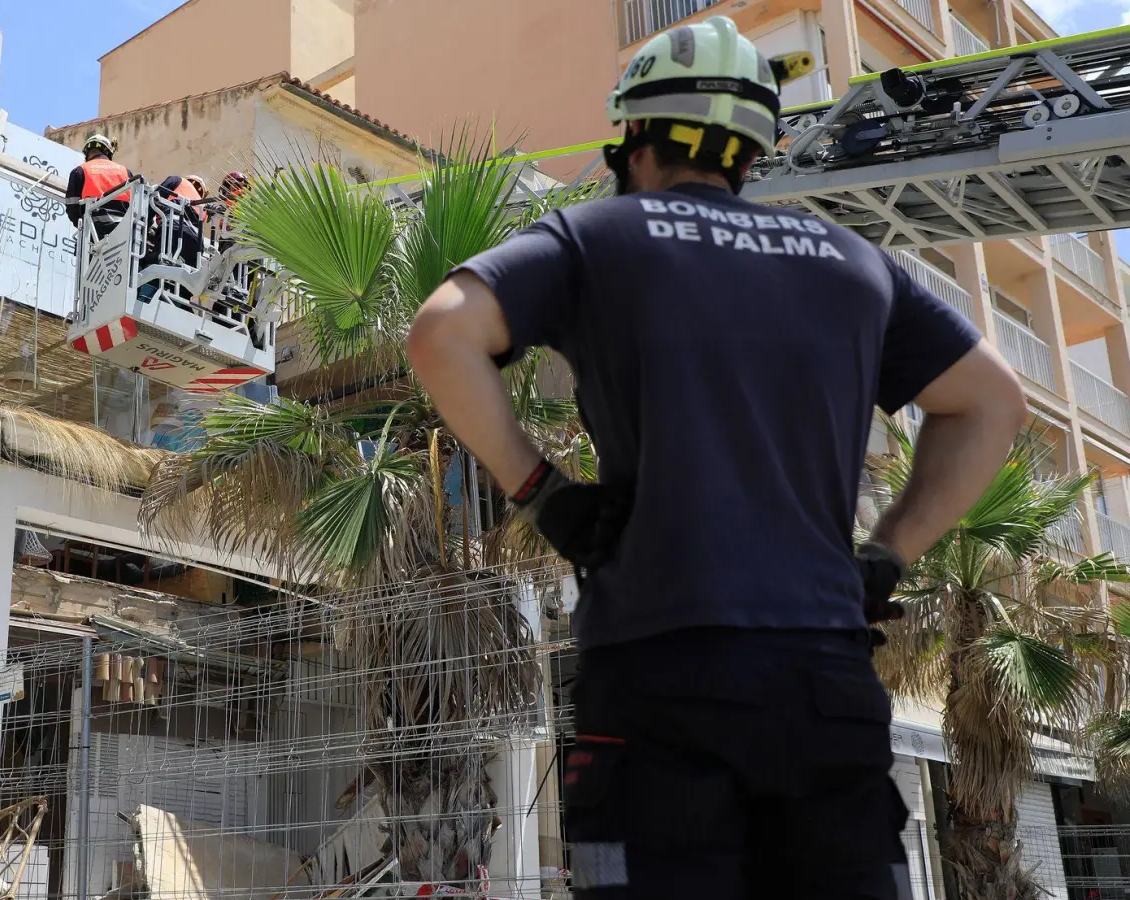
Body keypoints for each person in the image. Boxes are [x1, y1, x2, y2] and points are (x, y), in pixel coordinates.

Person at [405, 16, 1026, 899]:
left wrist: (542, 492)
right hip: (823, 677)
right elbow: (995, 402)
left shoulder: (597, 237)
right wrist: (889, 554)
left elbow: (440, 333)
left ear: (633, 137)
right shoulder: (854, 263)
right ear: (754, 151)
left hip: (660, 666)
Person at [64, 133, 134, 236]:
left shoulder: (79, 171)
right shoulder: (126, 172)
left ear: (87, 153)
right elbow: (136, 205)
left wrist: (83, 227)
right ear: (108, 152)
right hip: (125, 231)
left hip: (94, 232)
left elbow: (72, 208)